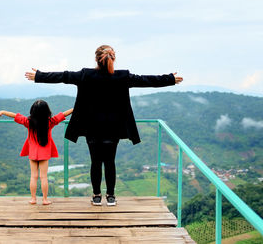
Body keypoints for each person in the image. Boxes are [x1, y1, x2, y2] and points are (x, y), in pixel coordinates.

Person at [25, 45, 183, 206]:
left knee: (95, 162)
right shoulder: (122, 76)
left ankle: (96, 196)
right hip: (113, 128)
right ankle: (111, 196)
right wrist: (169, 79)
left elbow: (62, 76)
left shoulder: (86, 75)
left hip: (91, 128)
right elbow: (146, 80)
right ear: (113, 58)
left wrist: (39, 75)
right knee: (110, 162)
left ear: (96, 59)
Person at [0, 100, 73, 205]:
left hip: (32, 152)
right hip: (44, 153)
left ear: (33, 111)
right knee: (44, 177)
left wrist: (3, 112)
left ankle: (33, 199)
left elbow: (16, 116)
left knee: (33, 176)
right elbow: (63, 114)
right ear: (47, 111)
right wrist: (75, 109)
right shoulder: (50, 122)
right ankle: (45, 199)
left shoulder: (28, 122)